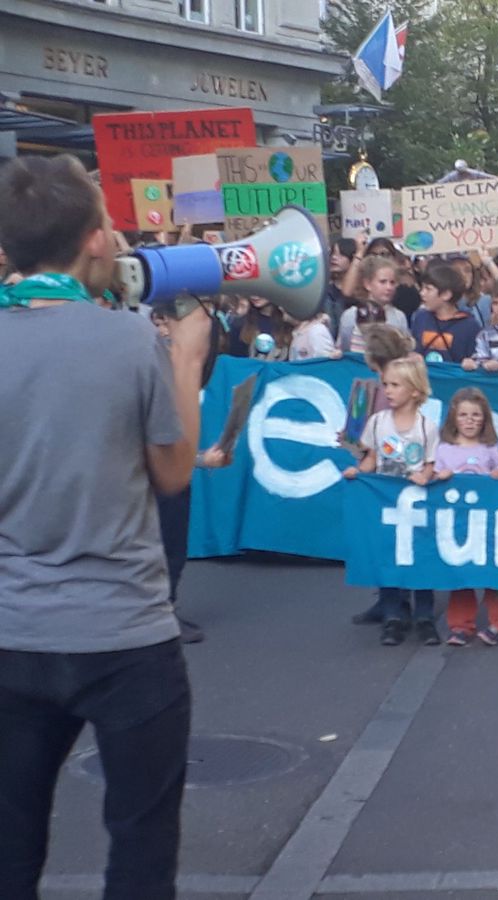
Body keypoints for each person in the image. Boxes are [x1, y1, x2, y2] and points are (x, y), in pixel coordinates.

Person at [0, 153, 210, 899]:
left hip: (13, 634)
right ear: (94, 240)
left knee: (11, 847)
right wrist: (185, 360)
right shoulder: (127, 340)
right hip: (124, 635)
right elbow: (174, 472)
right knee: (141, 845)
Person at [342, 357, 439, 646]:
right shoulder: (377, 422)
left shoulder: (427, 427)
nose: (388, 391)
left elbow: (431, 462)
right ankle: (393, 615)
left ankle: (425, 615)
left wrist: (425, 475)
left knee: (419, 558)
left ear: (414, 390)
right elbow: (372, 458)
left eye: (395, 385)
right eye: (386, 385)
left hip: (416, 506)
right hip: (386, 504)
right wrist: (358, 472)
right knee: (388, 556)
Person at [433, 388, 498, 647]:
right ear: (453, 418)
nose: (469, 420)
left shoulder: (489, 448)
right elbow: (432, 479)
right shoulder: (444, 449)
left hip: (486, 522)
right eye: (464, 414)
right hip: (456, 523)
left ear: (484, 418)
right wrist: (440, 476)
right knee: (460, 575)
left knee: (494, 573)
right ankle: (460, 625)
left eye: (476, 415)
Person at [410, 264, 480, 363]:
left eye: (428, 289)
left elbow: (475, 359)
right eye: (422, 288)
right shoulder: (421, 318)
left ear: (446, 295)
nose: (422, 293)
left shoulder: (469, 326)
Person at [340, 256, 409, 353]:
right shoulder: (350, 315)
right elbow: (343, 347)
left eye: (392, 282)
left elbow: (404, 350)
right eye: (383, 282)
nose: (389, 287)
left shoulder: (399, 317)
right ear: (367, 284)